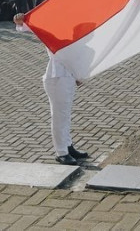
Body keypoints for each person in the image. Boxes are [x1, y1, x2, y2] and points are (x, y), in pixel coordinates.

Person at [13, 13, 89, 165]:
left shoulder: (78, 45)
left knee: (65, 115)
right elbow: (33, 28)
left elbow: (76, 62)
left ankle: (68, 146)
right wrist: (20, 21)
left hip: (67, 81)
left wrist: (78, 76)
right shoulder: (57, 39)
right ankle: (61, 152)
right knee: (59, 116)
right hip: (56, 79)